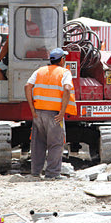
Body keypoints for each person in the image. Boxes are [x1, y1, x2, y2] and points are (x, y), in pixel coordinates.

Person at [24, 48, 76, 179]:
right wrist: (63, 111)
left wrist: (32, 109)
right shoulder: (65, 72)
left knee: (38, 144)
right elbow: (67, 88)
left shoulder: (40, 71)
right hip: (55, 114)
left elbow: (27, 86)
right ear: (62, 60)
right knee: (56, 144)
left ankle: (35, 173)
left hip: (38, 113)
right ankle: (52, 174)